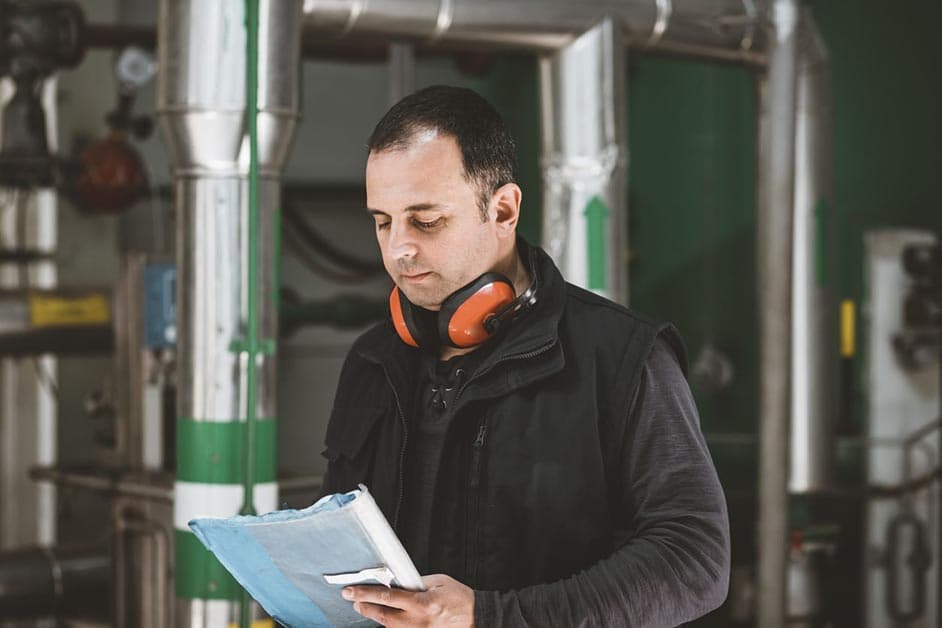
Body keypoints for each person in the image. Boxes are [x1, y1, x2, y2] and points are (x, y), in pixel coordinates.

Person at [319, 85, 730, 627]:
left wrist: (492, 617)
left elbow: (694, 559)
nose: (399, 248)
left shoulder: (623, 358)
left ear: (504, 209)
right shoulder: (373, 359)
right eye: (382, 220)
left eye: (426, 220)